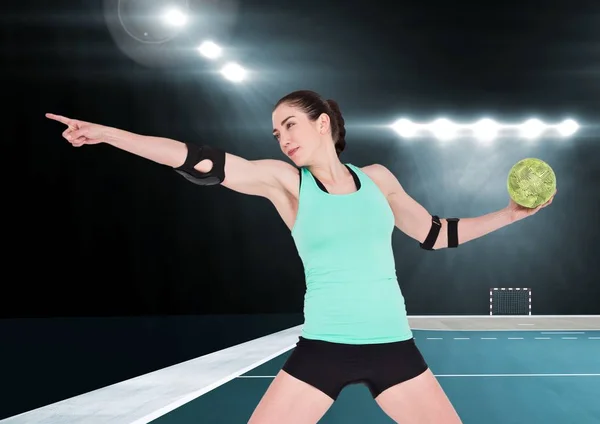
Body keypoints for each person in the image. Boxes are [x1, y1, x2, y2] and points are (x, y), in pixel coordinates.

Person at [46, 90, 555, 424]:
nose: (283, 139)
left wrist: (510, 215)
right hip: (324, 349)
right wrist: (110, 135)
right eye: (275, 133)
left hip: (394, 348)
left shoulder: (379, 179)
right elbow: (199, 160)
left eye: (290, 125)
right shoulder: (287, 184)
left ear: (323, 123)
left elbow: (437, 234)